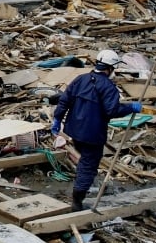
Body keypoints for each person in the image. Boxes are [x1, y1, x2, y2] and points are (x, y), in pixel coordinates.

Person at [52, 49, 142, 211]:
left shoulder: (81, 79)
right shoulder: (108, 87)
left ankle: (83, 185)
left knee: (85, 162)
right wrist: (131, 108)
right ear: (110, 68)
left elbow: (64, 100)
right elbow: (112, 111)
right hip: (92, 134)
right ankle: (77, 201)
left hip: (75, 130)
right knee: (89, 165)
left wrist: (57, 119)